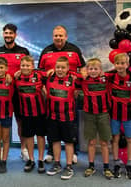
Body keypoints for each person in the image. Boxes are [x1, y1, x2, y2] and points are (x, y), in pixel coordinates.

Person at [38, 25, 86, 163]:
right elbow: (40, 71)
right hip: (51, 94)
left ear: (66, 36)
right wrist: (43, 88)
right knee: (52, 123)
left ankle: (74, 151)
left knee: (72, 123)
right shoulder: (46, 51)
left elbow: (82, 70)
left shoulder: (74, 50)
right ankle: (51, 151)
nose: (58, 38)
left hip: (70, 94)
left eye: (61, 35)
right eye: (56, 36)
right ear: (53, 37)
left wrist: (78, 87)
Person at [0, 23, 30, 161]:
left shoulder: (23, 51)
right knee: (1, 124)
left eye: (10, 33)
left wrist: (17, 75)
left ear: (15, 35)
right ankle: (0, 155)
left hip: (19, 93)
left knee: (20, 122)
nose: (8, 35)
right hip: (2, 94)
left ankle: (23, 149)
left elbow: (29, 70)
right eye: (6, 33)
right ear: (3, 34)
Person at [75, 58, 114, 180]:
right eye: (90, 69)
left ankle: (106, 167)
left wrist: (105, 73)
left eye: (96, 69)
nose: (93, 71)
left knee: (104, 142)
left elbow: (117, 72)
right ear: (87, 70)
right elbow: (75, 78)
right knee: (91, 142)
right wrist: (82, 73)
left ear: (100, 70)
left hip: (103, 114)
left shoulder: (105, 79)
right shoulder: (83, 80)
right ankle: (91, 166)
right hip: (89, 114)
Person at [106, 53, 131, 180]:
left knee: (130, 139)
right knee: (115, 138)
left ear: (128, 64)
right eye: (118, 63)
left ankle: (129, 165)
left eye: (123, 63)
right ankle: (116, 163)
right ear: (114, 65)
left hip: (129, 115)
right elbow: (97, 74)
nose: (120, 66)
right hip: (114, 114)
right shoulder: (110, 77)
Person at [45, 56, 78, 180]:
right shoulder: (49, 77)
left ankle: (69, 166)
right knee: (55, 141)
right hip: (53, 117)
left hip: (68, 117)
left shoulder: (73, 79)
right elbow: (35, 72)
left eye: (63, 67)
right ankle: (57, 163)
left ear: (68, 68)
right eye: (58, 67)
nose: (60, 70)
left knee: (69, 142)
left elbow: (85, 76)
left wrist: (74, 73)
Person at [14, 56, 46, 173]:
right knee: (28, 136)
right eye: (23, 65)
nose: (25, 67)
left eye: (28, 65)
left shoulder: (39, 76)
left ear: (33, 66)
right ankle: (31, 159)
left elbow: (54, 75)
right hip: (25, 113)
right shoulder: (16, 78)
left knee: (41, 136)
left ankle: (41, 160)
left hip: (40, 112)